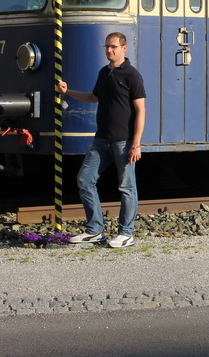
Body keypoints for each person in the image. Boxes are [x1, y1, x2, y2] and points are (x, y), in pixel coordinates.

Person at [57, 32, 145, 248]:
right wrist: (69, 92)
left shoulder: (132, 75)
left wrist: (136, 143)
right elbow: (94, 97)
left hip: (123, 141)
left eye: (113, 47)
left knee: (126, 187)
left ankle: (126, 233)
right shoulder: (104, 72)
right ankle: (95, 231)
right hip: (101, 139)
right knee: (85, 180)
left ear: (124, 48)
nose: (109, 50)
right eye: (107, 46)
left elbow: (140, 110)